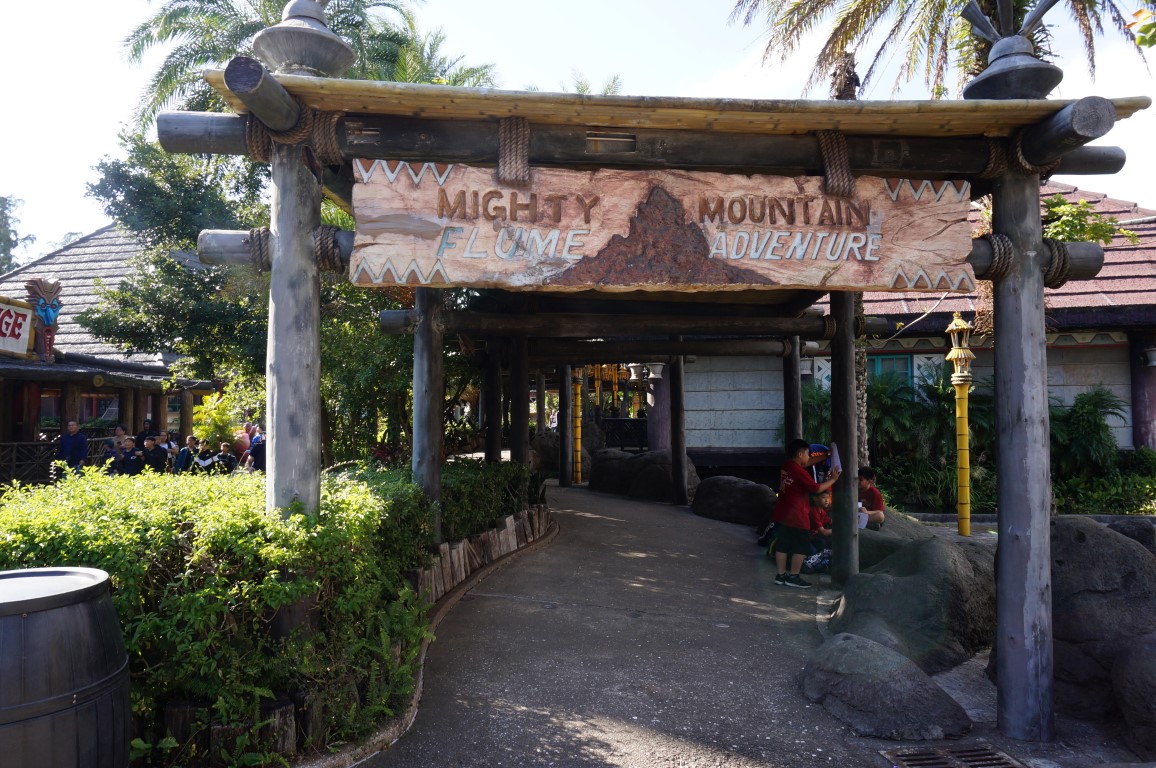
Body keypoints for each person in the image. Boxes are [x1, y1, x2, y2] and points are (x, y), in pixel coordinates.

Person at [773, 438, 840, 588]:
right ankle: (793, 577)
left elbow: (806, 463)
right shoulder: (800, 472)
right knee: (801, 547)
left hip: (782, 513)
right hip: (797, 516)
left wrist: (826, 455)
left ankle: (780, 575)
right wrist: (833, 479)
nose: (809, 457)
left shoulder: (787, 466)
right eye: (807, 453)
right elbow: (816, 488)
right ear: (800, 454)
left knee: (782, 545)